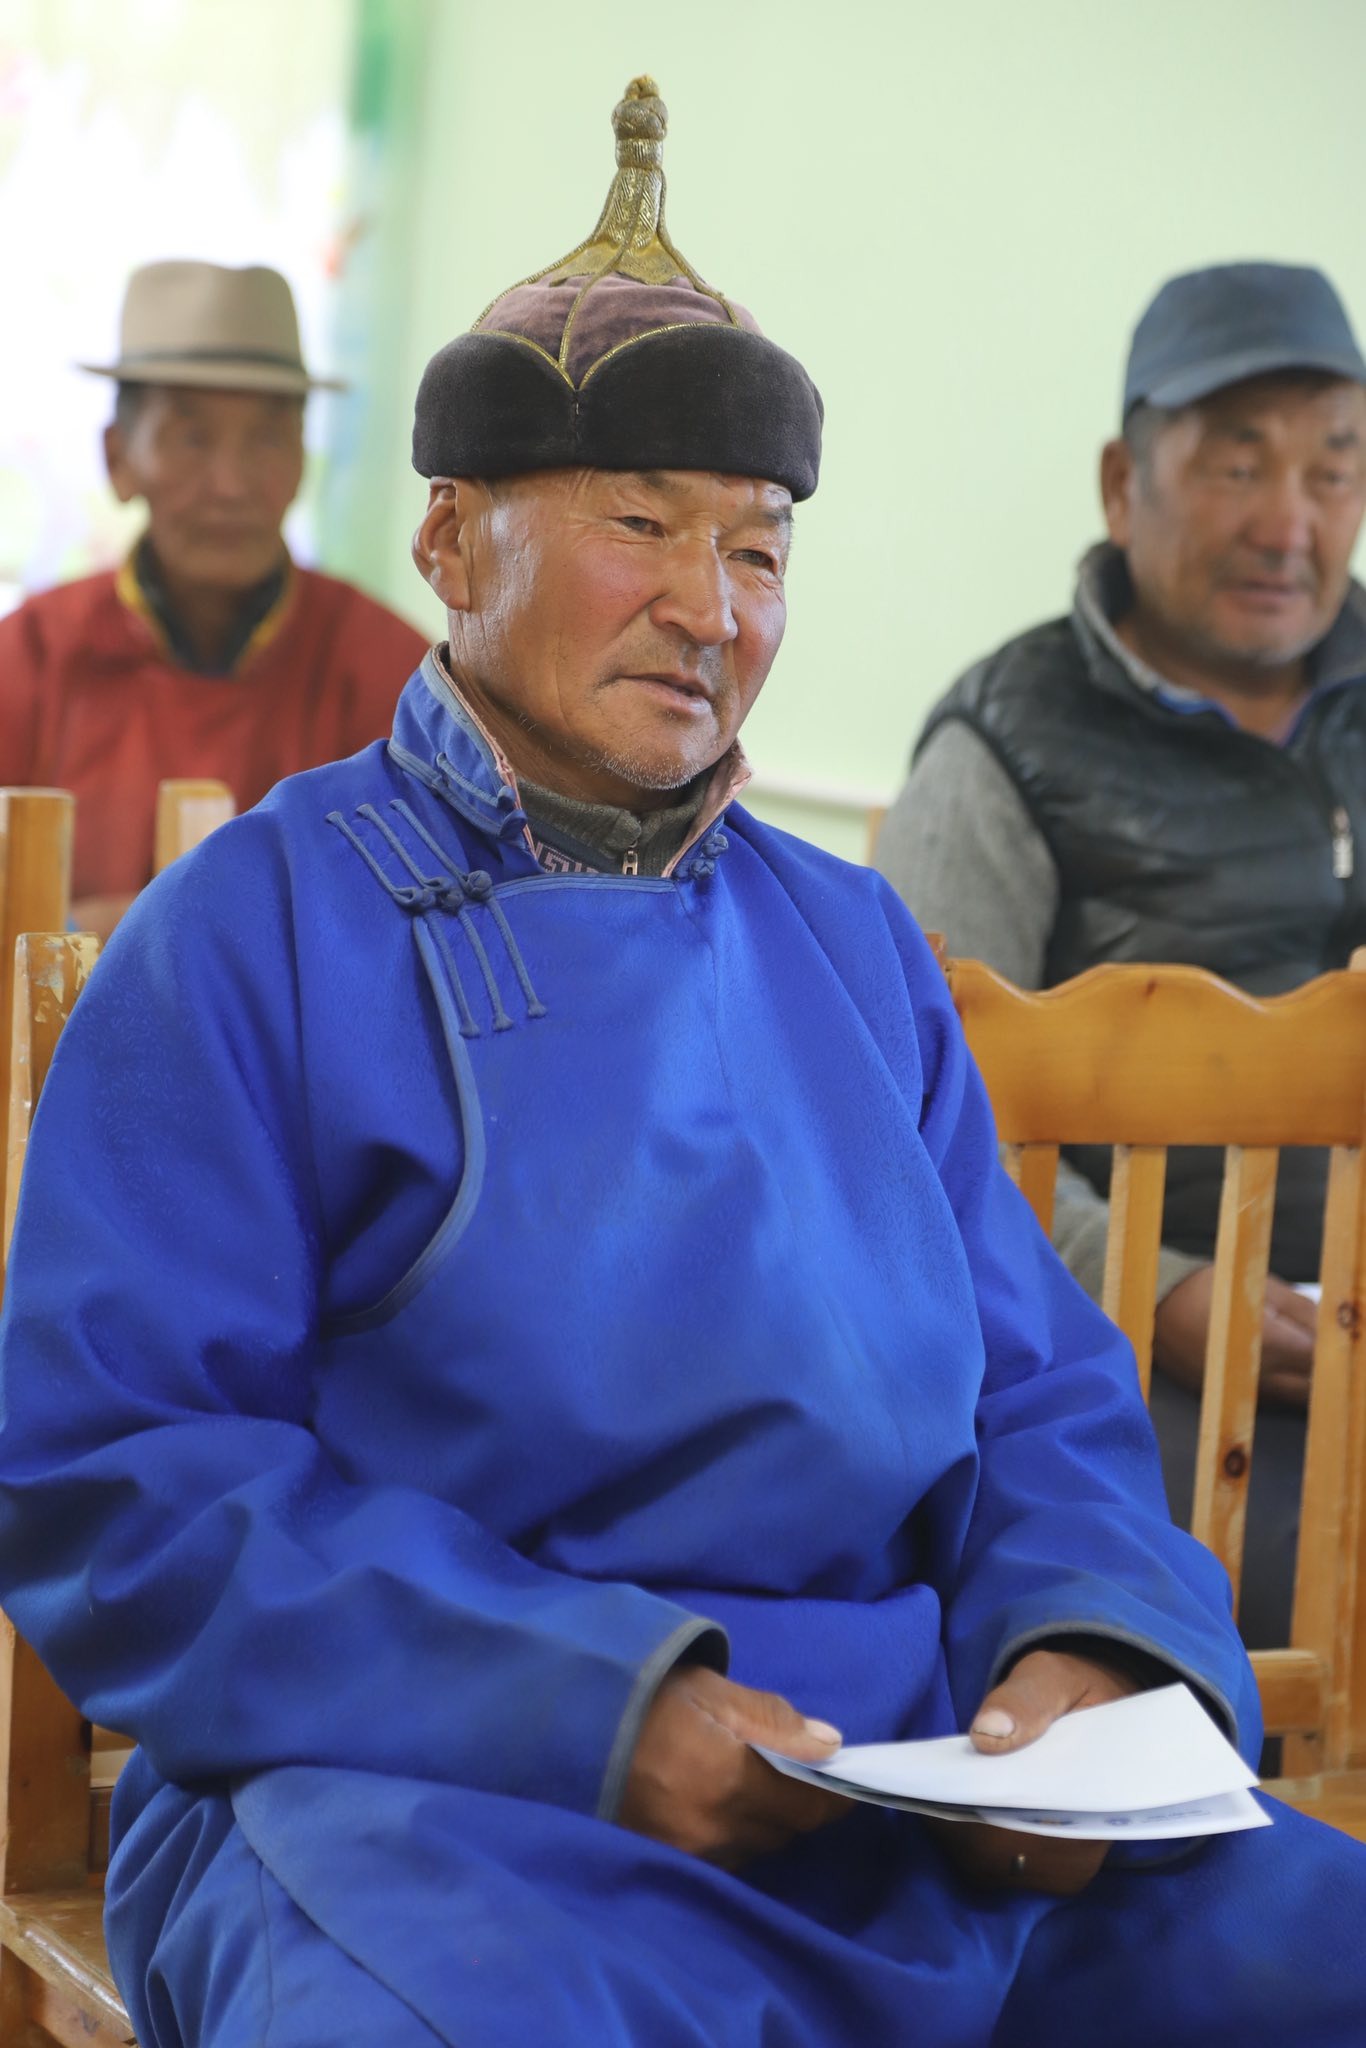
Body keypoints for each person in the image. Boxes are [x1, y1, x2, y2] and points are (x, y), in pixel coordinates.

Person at [1, 80, 1364, 2048]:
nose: (708, 609)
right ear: (451, 537)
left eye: (757, 549)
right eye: (639, 526)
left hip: (905, 1780)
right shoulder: (248, 932)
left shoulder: (852, 945)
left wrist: (1080, 1657)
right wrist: (602, 1704)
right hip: (425, 1789)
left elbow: (1038, 1386)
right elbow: (122, 1480)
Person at [877, 261, 1366, 1652]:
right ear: (1118, 483)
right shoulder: (1002, 746)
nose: (1288, 523)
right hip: (1124, 1366)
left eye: (1333, 469)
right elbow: (910, 1116)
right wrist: (1156, 1290)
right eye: (1236, 466)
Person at [0, 258, 426, 935]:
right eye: (192, 438)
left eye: (267, 438)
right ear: (118, 458)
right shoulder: (27, 662)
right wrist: (75, 943)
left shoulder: (392, 676)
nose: (230, 483)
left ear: (301, 459)